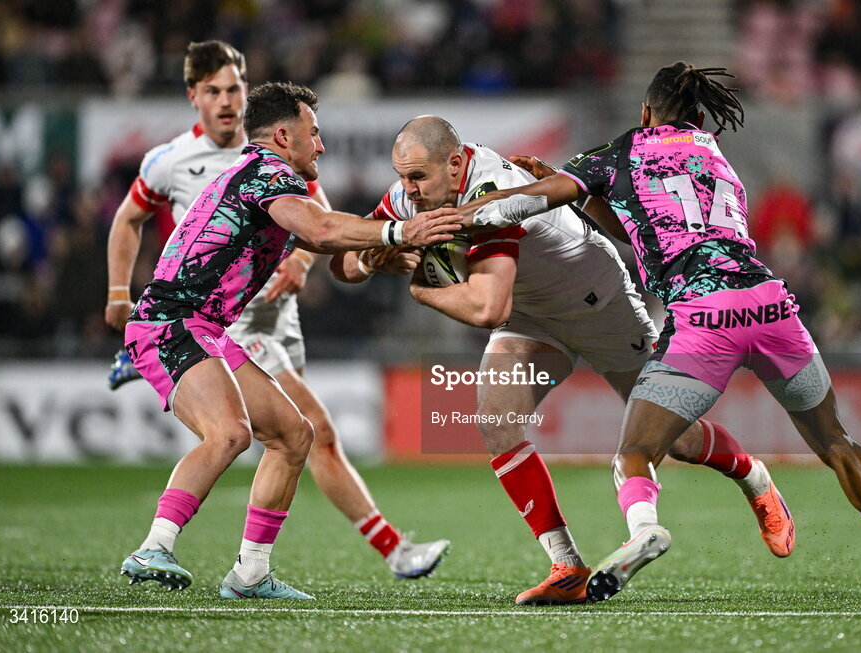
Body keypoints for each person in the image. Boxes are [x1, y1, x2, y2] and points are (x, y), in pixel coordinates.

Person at [457, 62, 861, 606]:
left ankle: (645, 530)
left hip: (704, 317)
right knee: (837, 442)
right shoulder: (717, 160)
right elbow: (647, 230)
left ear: (645, 112)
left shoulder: (622, 150)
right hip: (771, 306)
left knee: (636, 451)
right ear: (699, 116)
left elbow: (529, 202)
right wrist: (585, 193)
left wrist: (462, 215)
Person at [331, 116, 796, 605]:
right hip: (532, 315)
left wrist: (423, 291)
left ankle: (755, 477)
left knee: (676, 439)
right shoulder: (412, 195)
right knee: (497, 421)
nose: (408, 190)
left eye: (417, 178)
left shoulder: (495, 190)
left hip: (597, 301)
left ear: (454, 163)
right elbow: (341, 262)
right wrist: (373, 255)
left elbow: (489, 308)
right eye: (402, 177)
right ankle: (567, 565)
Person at [106, 42, 451, 582]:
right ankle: (153, 547)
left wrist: (378, 257)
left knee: (295, 434)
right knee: (229, 434)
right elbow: (321, 229)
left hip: (206, 328)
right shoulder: (268, 172)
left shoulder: (267, 178)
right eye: (314, 132)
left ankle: (250, 574)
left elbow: (330, 246)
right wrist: (400, 229)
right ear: (284, 136)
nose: (322, 143)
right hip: (170, 321)